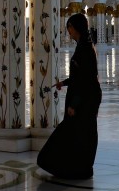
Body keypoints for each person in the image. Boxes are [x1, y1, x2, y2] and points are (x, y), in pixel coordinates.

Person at [37, 12, 101, 180]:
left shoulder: (85, 48)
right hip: (86, 97)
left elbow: (85, 80)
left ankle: (77, 168)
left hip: (83, 100)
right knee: (82, 133)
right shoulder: (84, 45)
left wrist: (75, 104)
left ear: (75, 28)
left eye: (69, 27)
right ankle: (80, 168)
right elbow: (80, 76)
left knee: (78, 133)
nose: (68, 31)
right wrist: (64, 83)